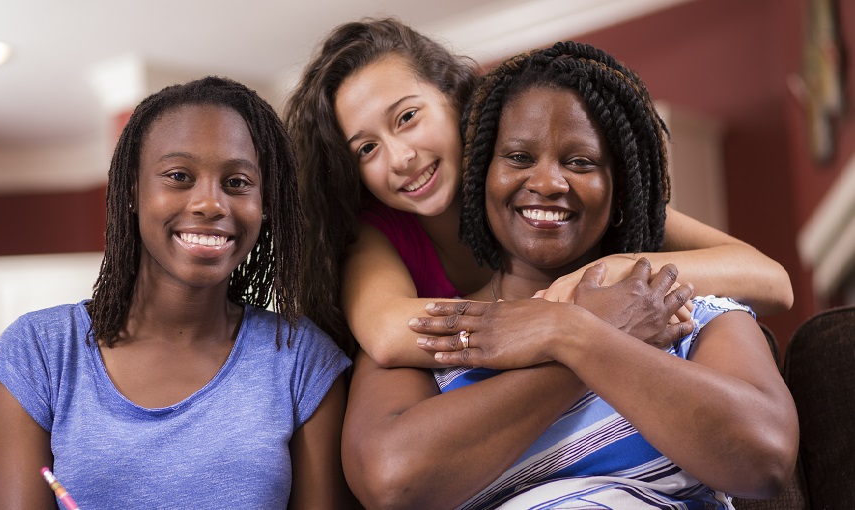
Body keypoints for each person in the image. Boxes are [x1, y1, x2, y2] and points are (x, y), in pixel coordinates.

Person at [343, 42, 798, 509]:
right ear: (480, 173)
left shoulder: (686, 308)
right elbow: (392, 483)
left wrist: (575, 333)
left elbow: (763, 461)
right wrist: (573, 335)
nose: (546, 183)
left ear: (619, 190)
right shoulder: (428, 335)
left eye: (580, 162)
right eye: (518, 158)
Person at [284, 18, 793, 366]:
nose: (399, 157)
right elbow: (391, 335)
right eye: (366, 149)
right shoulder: (376, 233)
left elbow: (772, 281)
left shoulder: (539, 186)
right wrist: (570, 321)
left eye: (408, 118)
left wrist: (615, 270)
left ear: (456, 98)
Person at [0, 77, 353, 509]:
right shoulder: (40, 352)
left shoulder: (301, 358)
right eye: (179, 176)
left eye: (237, 182)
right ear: (133, 190)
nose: (211, 203)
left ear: (265, 203)